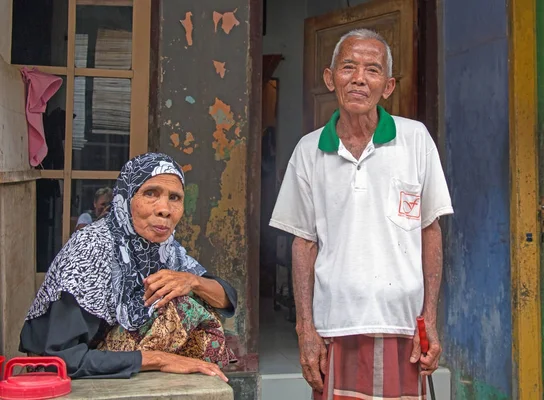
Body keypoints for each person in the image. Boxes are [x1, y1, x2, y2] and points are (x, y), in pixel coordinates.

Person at [270, 29, 453, 399]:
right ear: (329, 78)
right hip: (335, 324)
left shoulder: (415, 139)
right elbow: (303, 243)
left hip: (403, 324)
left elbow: (429, 230)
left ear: (387, 86)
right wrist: (305, 328)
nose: (358, 78)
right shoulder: (308, 151)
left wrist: (429, 318)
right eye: (348, 67)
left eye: (372, 70)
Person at [20, 153, 237, 380]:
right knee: (175, 307)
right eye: (150, 193)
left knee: (188, 297)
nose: (164, 209)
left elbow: (227, 299)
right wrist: (161, 359)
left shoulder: (163, 248)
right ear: (125, 197)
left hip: (107, 358)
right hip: (59, 370)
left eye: (174, 197)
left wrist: (192, 280)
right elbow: (61, 359)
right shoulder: (93, 246)